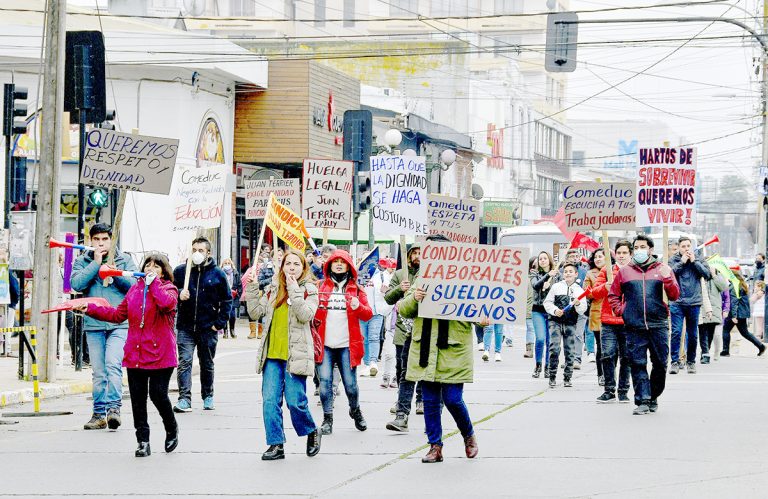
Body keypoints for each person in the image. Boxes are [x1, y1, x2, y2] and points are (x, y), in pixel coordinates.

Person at [77, 253, 179, 457]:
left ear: (163, 272)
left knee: (158, 395)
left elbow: (166, 304)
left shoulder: (169, 289)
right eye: (148, 265)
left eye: (156, 267)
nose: (150, 269)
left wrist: (153, 285)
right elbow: (117, 315)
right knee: (137, 400)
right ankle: (143, 441)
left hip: (161, 354)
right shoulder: (134, 290)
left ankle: (171, 428)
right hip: (136, 354)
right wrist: (90, 309)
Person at [399, 234, 480, 464]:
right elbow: (404, 309)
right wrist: (414, 298)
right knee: (431, 401)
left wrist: (483, 319)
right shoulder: (421, 278)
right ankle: (435, 446)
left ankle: (468, 434)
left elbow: (477, 309)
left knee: (453, 399)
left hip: (453, 349)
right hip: (425, 349)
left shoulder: (464, 279)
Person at [247, 249, 321, 461]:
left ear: (303, 268)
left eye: (296, 264)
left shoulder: (309, 290)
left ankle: (311, 430)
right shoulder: (273, 288)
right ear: (282, 266)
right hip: (272, 355)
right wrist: (252, 287)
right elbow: (255, 312)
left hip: (295, 355)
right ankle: (275, 444)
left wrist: (294, 289)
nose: (292, 268)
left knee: (295, 402)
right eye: (288, 263)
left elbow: (305, 314)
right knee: (270, 401)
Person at [71, 223, 138, 430]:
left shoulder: (124, 259)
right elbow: (77, 284)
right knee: (99, 372)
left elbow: (134, 287)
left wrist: (114, 273)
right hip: (94, 324)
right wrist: (96, 265)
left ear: (112, 239)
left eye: (105, 239)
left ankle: (114, 409)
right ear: (91, 240)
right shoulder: (82, 261)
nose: (101, 243)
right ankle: (98, 413)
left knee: (112, 364)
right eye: (96, 239)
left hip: (120, 323)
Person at [608, 234, 679, 415]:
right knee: (637, 363)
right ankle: (643, 400)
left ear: (650, 249)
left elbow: (674, 295)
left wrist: (668, 279)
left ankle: (653, 395)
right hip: (634, 326)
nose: (639, 250)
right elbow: (613, 295)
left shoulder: (663, 269)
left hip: (658, 324)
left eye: (643, 247)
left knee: (660, 363)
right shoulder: (625, 272)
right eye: (636, 247)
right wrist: (621, 310)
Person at [314, 249, 373, 435]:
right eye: (335, 261)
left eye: (343, 261)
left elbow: (368, 314)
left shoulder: (357, 289)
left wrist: (358, 306)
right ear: (329, 265)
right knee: (325, 383)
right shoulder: (319, 287)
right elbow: (309, 311)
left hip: (347, 346)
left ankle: (355, 410)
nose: (339, 264)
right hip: (324, 345)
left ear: (349, 266)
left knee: (351, 385)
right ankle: (327, 419)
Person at [172, 237, 232, 413]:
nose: (196, 253)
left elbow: (227, 300)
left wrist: (219, 324)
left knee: (207, 363)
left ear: (208, 253)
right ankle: (184, 398)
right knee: (184, 362)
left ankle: (208, 395)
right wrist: (179, 294)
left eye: (200, 250)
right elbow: (169, 292)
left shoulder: (218, 274)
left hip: (208, 327)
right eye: (194, 250)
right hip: (186, 326)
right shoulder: (181, 271)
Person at [385, 243, 425, 431]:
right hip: (404, 330)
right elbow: (388, 298)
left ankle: (421, 400)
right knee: (404, 370)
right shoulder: (400, 274)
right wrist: (400, 289)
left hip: (425, 330)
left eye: (421, 253)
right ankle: (401, 410)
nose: (417, 256)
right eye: (414, 253)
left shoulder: (431, 274)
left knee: (424, 371)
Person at [590, 241, 633, 404]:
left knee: (626, 357)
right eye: (619, 253)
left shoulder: (635, 271)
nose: (621, 256)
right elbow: (594, 292)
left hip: (628, 321)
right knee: (607, 354)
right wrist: (605, 287)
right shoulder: (606, 270)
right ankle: (609, 390)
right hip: (608, 320)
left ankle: (623, 391)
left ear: (630, 254)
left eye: (624, 253)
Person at [668, 236, 711, 374]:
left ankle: (691, 361)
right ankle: (674, 361)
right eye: (683, 246)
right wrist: (682, 262)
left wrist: (694, 262)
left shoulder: (698, 258)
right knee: (676, 332)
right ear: (679, 248)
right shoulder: (674, 259)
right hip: (677, 302)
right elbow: (669, 275)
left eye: (688, 246)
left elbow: (708, 274)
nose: (686, 249)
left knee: (692, 334)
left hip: (694, 302)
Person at [544, 262, 588, 388]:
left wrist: (578, 304)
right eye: (566, 271)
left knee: (570, 350)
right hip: (555, 322)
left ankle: (568, 377)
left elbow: (582, 310)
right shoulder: (556, 287)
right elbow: (547, 302)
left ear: (576, 274)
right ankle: (552, 376)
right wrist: (554, 310)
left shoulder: (579, 290)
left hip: (570, 323)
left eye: (570, 271)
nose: (568, 273)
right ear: (563, 274)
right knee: (554, 348)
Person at [362, 258, 396, 380]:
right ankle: (367, 364)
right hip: (362, 311)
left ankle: (373, 363)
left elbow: (389, 293)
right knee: (364, 338)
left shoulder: (381, 275)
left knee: (374, 337)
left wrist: (385, 291)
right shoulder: (360, 275)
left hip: (376, 312)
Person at [722, 269, 767, 357]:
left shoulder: (735, 286)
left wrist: (734, 316)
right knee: (745, 333)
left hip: (736, 313)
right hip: (741, 313)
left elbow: (734, 302)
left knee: (726, 330)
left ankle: (725, 351)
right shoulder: (742, 285)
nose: (727, 278)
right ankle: (761, 346)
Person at [530, 251, 558, 378]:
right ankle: (538, 365)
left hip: (551, 311)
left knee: (549, 340)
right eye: (540, 258)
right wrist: (547, 277)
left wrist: (550, 284)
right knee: (540, 338)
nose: (542, 260)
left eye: (545, 258)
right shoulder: (534, 273)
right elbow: (535, 285)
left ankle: (548, 366)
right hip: (538, 310)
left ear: (549, 260)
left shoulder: (557, 274)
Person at [584, 248, 609, 384]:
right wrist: (603, 287)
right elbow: (587, 293)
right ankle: (601, 374)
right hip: (597, 312)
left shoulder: (614, 271)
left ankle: (611, 373)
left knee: (613, 347)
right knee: (601, 345)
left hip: (613, 311)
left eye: (601, 256)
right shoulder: (590, 274)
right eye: (596, 257)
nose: (598, 259)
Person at [699, 265, 729, 364]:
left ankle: (706, 352)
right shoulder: (700, 274)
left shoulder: (717, 275)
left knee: (710, 333)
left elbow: (724, 287)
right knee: (702, 331)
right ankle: (705, 353)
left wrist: (714, 275)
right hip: (701, 307)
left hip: (714, 309)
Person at [221, 257, 241, 339]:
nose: (227, 265)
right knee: (224, 314)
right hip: (223, 296)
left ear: (231, 264)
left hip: (233, 296)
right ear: (222, 265)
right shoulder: (220, 273)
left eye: (228, 263)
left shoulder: (235, 273)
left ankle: (232, 330)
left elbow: (239, 284)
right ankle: (225, 331)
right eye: (225, 263)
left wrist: (238, 293)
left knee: (232, 314)